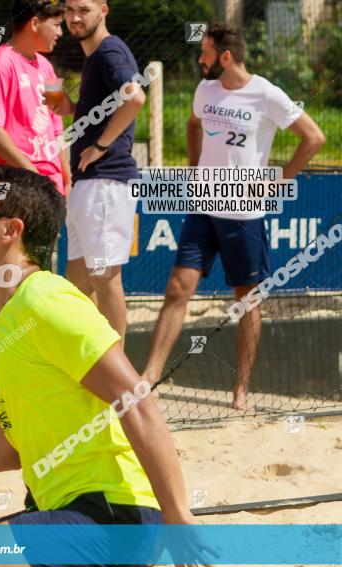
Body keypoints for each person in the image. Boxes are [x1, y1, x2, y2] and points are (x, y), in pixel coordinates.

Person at [0, 164, 213, 567]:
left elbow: (136, 399)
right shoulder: (7, 322)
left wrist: (177, 513)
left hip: (113, 517)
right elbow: (9, 451)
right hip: (64, 511)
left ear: (10, 230)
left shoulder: (46, 300)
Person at [141, 24, 325, 410]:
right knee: (177, 287)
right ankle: (149, 376)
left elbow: (314, 137)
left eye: (205, 52)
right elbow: (193, 125)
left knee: (246, 301)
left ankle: (240, 391)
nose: (199, 59)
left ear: (225, 56)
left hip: (244, 214)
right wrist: (194, 169)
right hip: (203, 206)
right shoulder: (205, 90)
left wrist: (276, 183)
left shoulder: (267, 94)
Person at [53, 0, 146, 342]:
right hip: (87, 184)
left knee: (105, 278)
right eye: (69, 10)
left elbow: (134, 98)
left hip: (106, 182)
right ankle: (89, 367)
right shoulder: (95, 57)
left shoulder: (108, 51)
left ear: (103, 9)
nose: (75, 17)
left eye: (84, 9)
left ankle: (119, 380)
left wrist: (101, 145)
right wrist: (71, 107)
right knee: (77, 286)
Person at [0, 0, 70, 197]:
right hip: (10, 182)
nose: (60, 32)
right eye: (56, 24)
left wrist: (66, 176)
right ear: (35, 23)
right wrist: (33, 174)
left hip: (47, 185)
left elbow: (56, 129)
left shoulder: (47, 67)